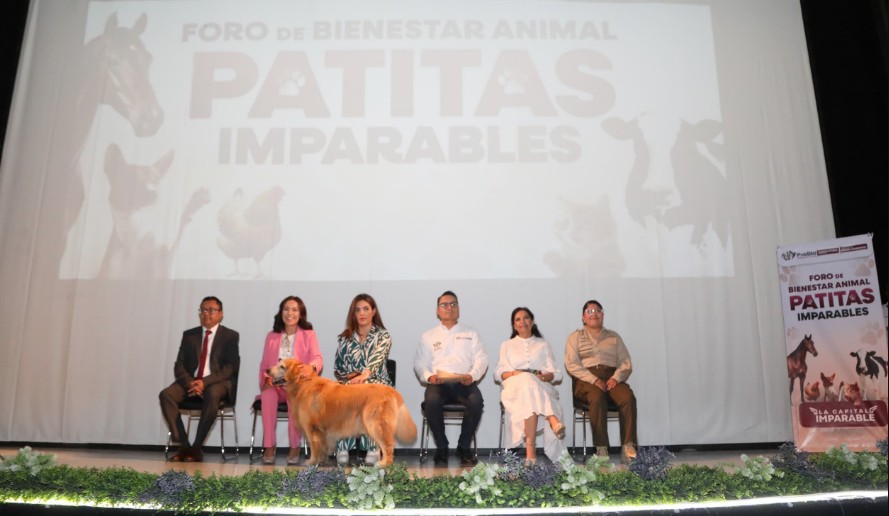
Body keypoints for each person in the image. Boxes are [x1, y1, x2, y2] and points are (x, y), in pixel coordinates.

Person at [159, 296, 240, 462]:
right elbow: (179, 365)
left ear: (221, 314)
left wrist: (205, 382)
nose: (206, 313)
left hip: (217, 383)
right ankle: (184, 445)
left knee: (212, 393)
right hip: (191, 381)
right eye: (203, 310)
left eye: (211, 310)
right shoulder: (190, 335)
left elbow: (230, 368)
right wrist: (191, 383)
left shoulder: (230, 336)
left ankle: (196, 447)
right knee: (166, 395)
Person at [414, 290, 488, 466]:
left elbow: (481, 359)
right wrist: (429, 376)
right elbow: (419, 363)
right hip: (439, 384)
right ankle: (442, 447)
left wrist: (472, 375)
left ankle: (463, 447)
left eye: (453, 304)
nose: (449, 308)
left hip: (464, 382)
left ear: (458, 309)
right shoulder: (428, 336)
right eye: (444, 305)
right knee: (431, 401)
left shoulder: (471, 333)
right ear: (437, 311)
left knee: (476, 401)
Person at [564, 299, 638, 463]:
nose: (594, 314)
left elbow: (626, 362)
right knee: (596, 398)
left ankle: (628, 447)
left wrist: (616, 377)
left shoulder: (614, 337)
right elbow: (571, 364)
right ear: (583, 317)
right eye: (589, 311)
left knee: (627, 397)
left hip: (612, 377)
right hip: (586, 380)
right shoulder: (575, 337)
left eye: (597, 311)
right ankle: (601, 448)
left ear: (602, 315)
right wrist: (593, 379)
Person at [495, 307, 567, 464]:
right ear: (514, 325)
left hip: (540, 385)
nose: (522, 322)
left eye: (526, 318)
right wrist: (514, 374)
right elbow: (498, 373)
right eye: (518, 319)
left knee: (530, 390)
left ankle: (530, 454)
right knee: (526, 380)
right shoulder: (507, 345)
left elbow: (557, 374)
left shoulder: (543, 344)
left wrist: (547, 375)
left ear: (532, 321)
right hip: (515, 386)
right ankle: (551, 418)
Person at [257, 296, 323, 465]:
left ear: (300, 314)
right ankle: (269, 446)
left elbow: (317, 358)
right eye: (286, 309)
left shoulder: (309, 335)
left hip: (297, 386)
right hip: (275, 385)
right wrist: (266, 379)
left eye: (294, 309)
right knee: (267, 396)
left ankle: (295, 447)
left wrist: (312, 367)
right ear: (281, 313)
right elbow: (265, 364)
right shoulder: (271, 336)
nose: (290, 313)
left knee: (295, 399)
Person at [333, 293, 393, 466]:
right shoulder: (345, 338)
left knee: (368, 390)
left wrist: (364, 375)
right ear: (353, 314)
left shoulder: (383, 336)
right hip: (351, 383)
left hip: (377, 382)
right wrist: (350, 378)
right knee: (338, 392)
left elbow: (377, 358)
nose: (362, 313)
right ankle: (342, 447)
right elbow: (338, 368)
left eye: (366, 309)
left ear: (373, 311)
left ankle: (373, 447)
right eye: (358, 310)